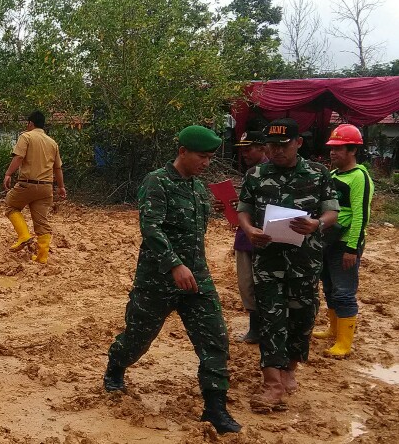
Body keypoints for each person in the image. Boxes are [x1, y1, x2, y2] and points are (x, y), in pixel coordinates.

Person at [104, 125, 241, 435]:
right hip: (158, 279)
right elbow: (151, 228)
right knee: (138, 339)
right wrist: (174, 265)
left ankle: (215, 407)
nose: (206, 164)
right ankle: (116, 367)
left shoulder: (198, 189)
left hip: (197, 279)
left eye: (210, 158)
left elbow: (195, 231)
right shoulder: (157, 182)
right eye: (201, 157)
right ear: (182, 152)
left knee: (215, 339)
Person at [237, 118, 339, 410]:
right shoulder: (256, 174)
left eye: (282, 145)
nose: (276, 151)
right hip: (268, 261)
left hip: (305, 261)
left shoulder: (318, 174)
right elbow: (244, 209)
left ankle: (289, 370)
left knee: (302, 318)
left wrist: (316, 223)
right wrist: (248, 229)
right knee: (270, 317)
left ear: (298, 143)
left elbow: (332, 211)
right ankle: (272, 383)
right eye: (271, 145)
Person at [313, 124, 374, 358]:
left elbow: (360, 214)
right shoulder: (335, 175)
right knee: (328, 287)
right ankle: (333, 328)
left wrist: (352, 248)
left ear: (352, 151)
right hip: (328, 240)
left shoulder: (360, 177)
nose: (333, 153)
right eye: (331, 149)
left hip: (345, 243)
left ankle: (344, 342)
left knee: (344, 291)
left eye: (339, 149)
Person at [3, 110, 67, 264]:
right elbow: (57, 168)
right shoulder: (52, 143)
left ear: (30, 123)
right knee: (41, 222)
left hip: (27, 184)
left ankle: (24, 235)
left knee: (10, 205)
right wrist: (61, 187)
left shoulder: (26, 136)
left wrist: (8, 173)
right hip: (46, 188)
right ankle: (42, 257)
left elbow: (19, 157)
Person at [232, 131, 268, 343]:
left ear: (262, 148)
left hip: (264, 235)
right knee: (246, 283)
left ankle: (260, 329)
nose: (244, 154)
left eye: (248, 149)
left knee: (259, 283)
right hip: (246, 235)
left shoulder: (269, 172)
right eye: (242, 150)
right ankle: (255, 327)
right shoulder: (251, 173)